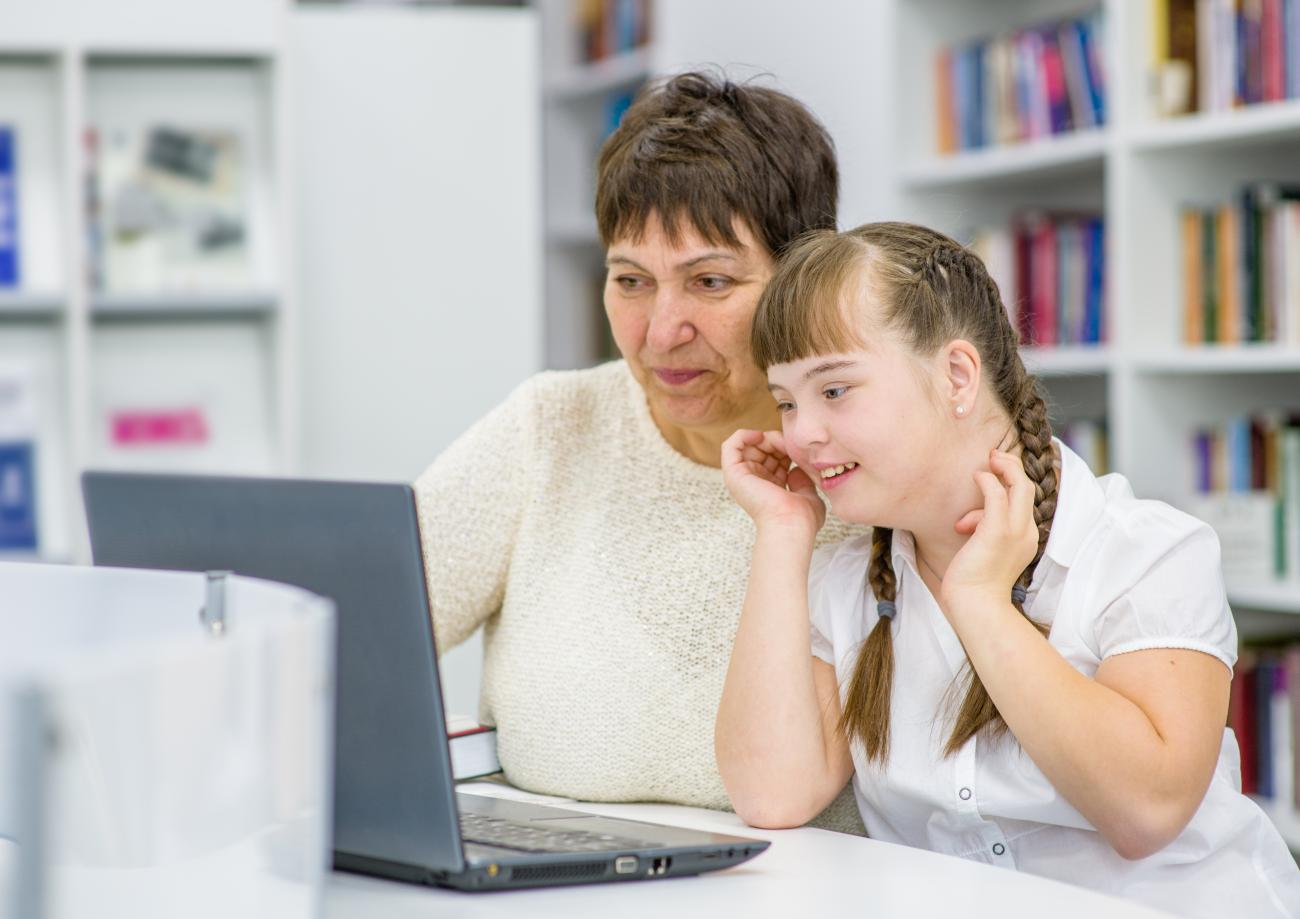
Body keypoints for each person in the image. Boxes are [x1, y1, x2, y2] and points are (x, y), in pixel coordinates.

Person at [716, 221, 1300, 917]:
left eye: (834, 390)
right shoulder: (846, 579)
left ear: (957, 376)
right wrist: (782, 531)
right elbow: (772, 794)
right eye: (786, 402)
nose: (801, 434)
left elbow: (1147, 812)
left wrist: (981, 603)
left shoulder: (1146, 552)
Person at [414, 71, 864, 831]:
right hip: (544, 872)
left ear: (802, 283)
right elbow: (345, 631)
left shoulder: (867, 469)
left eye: (709, 281)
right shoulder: (551, 426)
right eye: (630, 280)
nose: (660, 331)